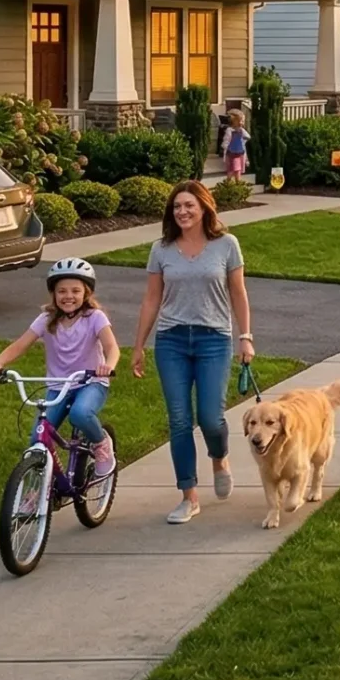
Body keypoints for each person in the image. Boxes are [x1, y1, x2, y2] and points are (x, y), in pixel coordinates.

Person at [132, 180, 253, 525]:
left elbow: (238, 293)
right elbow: (151, 299)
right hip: (171, 340)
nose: (182, 212)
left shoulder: (226, 245)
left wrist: (245, 336)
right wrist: (139, 345)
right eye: (177, 207)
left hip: (214, 339)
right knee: (179, 420)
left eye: (189, 205)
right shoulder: (161, 249)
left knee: (211, 418)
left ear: (204, 208)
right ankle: (189, 496)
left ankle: (219, 457)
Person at [0, 257, 119, 476]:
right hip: (58, 384)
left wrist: (108, 365)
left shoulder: (94, 317)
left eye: (75, 291)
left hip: (90, 381)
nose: (68, 296)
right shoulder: (46, 318)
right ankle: (38, 488)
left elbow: (112, 347)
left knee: (81, 414)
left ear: (86, 293)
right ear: (53, 294)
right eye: (62, 291)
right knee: (38, 439)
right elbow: (21, 344)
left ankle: (101, 443)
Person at [220, 109, 249, 180]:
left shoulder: (242, 130)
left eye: (243, 121)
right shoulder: (229, 130)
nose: (241, 123)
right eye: (240, 121)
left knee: (237, 169)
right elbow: (226, 141)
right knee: (234, 169)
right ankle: (232, 182)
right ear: (234, 121)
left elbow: (248, 137)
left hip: (240, 153)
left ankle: (233, 182)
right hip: (232, 154)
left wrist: (243, 138)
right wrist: (227, 148)